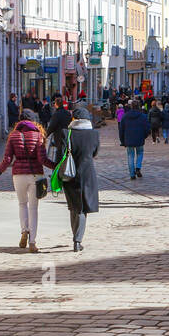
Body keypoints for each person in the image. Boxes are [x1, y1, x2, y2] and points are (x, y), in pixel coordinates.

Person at [0, 109, 51, 252]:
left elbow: (7, 159)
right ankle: (33, 242)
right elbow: (42, 159)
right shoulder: (38, 135)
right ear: (33, 121)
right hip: (35, 173)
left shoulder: (13, 136)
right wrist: (56, 166)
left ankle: (24, 230)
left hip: (18, 174)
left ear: (20, 120)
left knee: (22, 204)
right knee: (33, 208)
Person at [60, 104, 100, 252]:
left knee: (74, 207)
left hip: (70, 175)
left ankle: (76, 237)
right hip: (88, 173)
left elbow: (61, 155)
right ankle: (77, 240)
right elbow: (95, 153)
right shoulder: (94, 134)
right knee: (83, 207)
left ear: (74, 118)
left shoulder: (67, 133)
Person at [119, 99, 150, 180]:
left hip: (129, 139)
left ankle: (132, 174)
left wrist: (122, 141)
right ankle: (138, 167)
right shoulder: (143, 116)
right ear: (139, 106)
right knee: (140, 153)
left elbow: (121, 129)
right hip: (139, 138)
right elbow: (147, 128)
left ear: (131, 106)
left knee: (130, 156)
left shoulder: (125, 116)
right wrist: (144, 136)